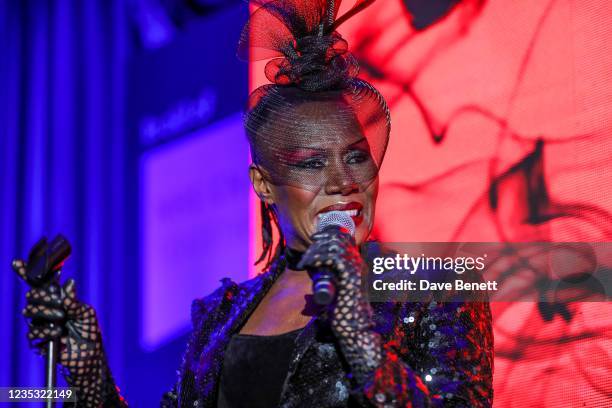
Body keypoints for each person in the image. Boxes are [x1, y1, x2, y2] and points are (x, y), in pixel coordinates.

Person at [12, 0, 493, 406]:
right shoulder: (222, 315)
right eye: (311, 163)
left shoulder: (436, 288)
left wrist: (359, 337)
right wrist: (91, 374)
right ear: (264, 184)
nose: (345, 182)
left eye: (356, 157)